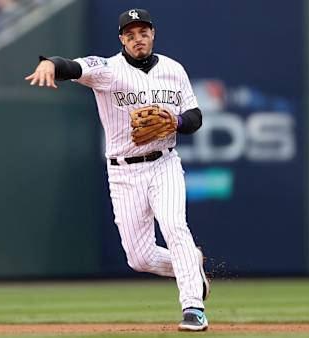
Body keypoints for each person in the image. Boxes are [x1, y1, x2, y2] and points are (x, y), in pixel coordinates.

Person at [25, 8, 210, 332]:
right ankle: (190, 266)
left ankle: (193, 307)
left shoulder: (173, 69)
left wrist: (176, 121)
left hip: (164, 162)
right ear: (122, 39)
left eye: (143, 32)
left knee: (174, 226)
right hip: (123, 172)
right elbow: (73, 66)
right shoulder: (108, 69)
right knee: (139, 258)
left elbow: (194, 116)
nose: (137, 38)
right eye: (130, 34)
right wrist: (50, 63)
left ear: (152, 34)